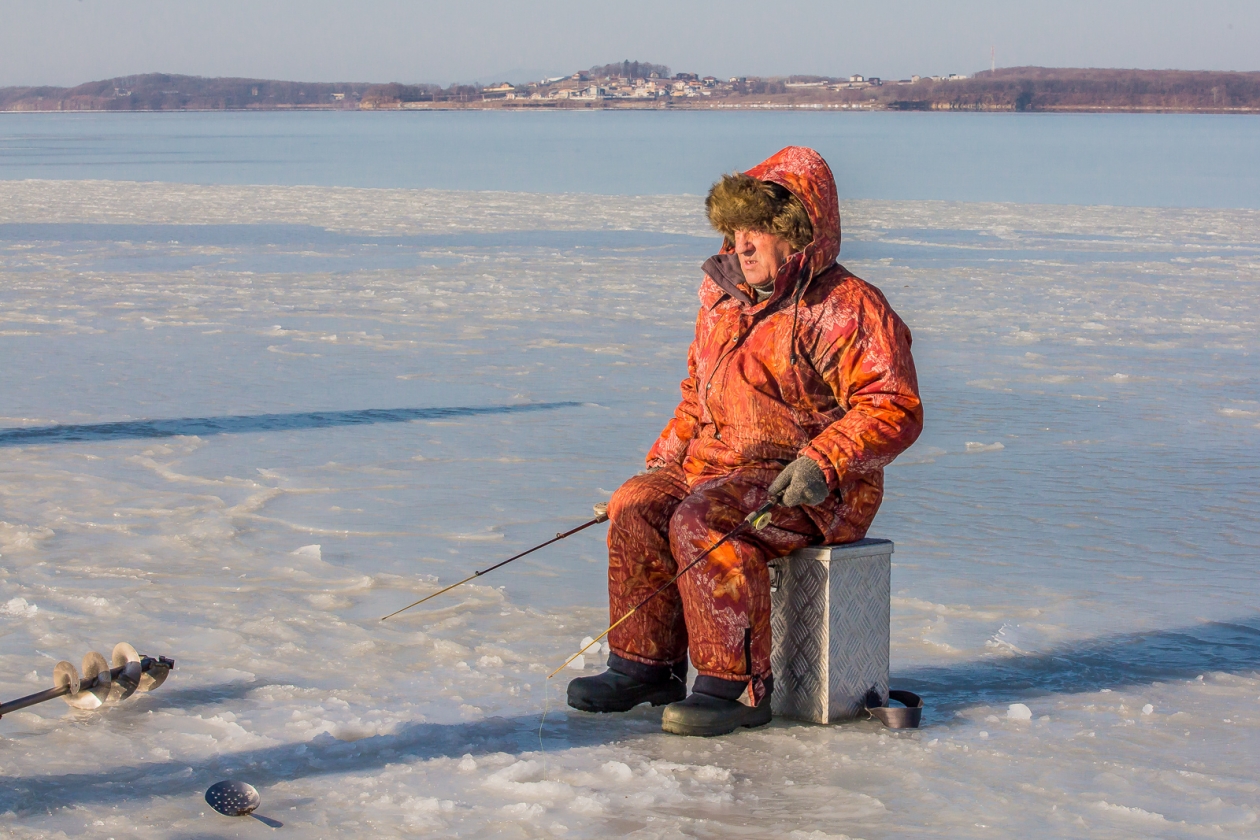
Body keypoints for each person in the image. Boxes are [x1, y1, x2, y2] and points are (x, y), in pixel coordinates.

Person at [568, 146, 923, 736]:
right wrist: (657, 468)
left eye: (758, 230)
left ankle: (735, 687)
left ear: (796, 233)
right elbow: (695, 397)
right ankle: (643, 667)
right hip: (715, 464)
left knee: (704, 519)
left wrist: (823, 462)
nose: (742, 245)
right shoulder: (719, 300)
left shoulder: (844, 306)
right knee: (637, 504)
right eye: (735, 232)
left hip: (811, 485)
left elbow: (894, 407)